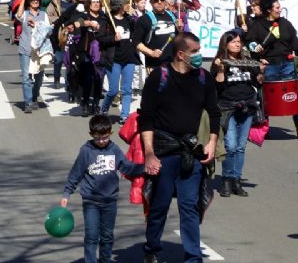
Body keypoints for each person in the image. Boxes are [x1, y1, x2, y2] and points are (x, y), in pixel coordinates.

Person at [139, 32, 221, 263]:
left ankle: (193, 257)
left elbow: (214, 113)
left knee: (189, 207)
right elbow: (146, 118)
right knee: (159, 205)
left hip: (191, 152)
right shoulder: (159, 77)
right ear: (181, 54)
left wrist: (212, 143)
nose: (199, 55)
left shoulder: (204, 78)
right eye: (194, 52)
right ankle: (152, 249)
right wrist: (149, 154)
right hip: (164, 152)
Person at [60, 114, 144, 263]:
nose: (101, 141)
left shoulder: (114, 150)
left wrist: (144, 168)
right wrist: (67, 193)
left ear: (110, 133)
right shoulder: (86, 151)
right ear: (91, 134)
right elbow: (76, 173)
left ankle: (105, 260)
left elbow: (127, 168)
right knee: (91, 236)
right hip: (91, 201)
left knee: (107, 236)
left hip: (110, 201)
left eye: (104, 137)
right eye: (97, 138)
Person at [211, 30, 265, 198]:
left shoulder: (247, 61)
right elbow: (217, 86)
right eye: (233, 41)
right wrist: (220, 70)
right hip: (228, 108)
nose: (237, 44)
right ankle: (226, 179)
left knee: (241, 147)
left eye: (239, 41)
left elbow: (258, 82)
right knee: (231, 146)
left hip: (247, 106)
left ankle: (236, 180)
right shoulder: (219, 62)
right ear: (225, 44)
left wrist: (262, 71)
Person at [247, 0, 298, 139]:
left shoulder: (285, 23)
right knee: (266, 97)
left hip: (287, 64)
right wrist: (255, 48)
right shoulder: (257, 25)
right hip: (269, 65)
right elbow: (249, 42)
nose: (279, 10)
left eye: (279, 7)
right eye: (276, 8)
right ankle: (265, 127)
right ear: (268, 9)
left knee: (293, 96)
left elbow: (294, 41)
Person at [100, 0, 139, 124]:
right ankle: (104, 108)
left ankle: (124, 116)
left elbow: (138, 33)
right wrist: (112, 38)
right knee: (113, 90)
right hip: (114, 59)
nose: (129, 5)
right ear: (120, 5)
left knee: (127, 90)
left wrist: (136, 17)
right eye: (127, 3)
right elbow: (101, 40)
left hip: (129, 58)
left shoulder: (130, 19)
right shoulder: (106, 19)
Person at [132, 0, 181, 74]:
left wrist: (180, 29)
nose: (159, 2)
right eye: (155, 0)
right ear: (151, 2)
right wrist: (151, 52)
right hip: (155, 64)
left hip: (173, 63)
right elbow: (136, 42)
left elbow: (177, 37)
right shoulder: (144, 19)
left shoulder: (171, 15)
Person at [15, 0, 49, 114]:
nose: (35, 1)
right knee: (26, 77)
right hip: (25, 48)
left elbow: (48, 30)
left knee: (39, 77)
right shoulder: (24, 13)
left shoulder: (43, 14)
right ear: (29, 2)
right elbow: (18, 16)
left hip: (39, 50)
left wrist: (36, 24)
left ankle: (35, 96)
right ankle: (28, 102)